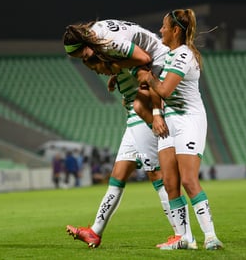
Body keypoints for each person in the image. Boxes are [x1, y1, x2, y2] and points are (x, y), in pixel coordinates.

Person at [62, 19, 180, 248]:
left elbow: (144, 60)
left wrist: (154, 112)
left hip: (155, 77)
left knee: (155, 174)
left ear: (87, 49)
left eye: (86, 61)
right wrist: (116, 73)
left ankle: (181, 234)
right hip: (134, 111)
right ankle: (95, 231)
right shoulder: (102, 44)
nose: (92, 67)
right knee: (117, 176)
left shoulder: (109, 46)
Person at [137, 9, 224, 250]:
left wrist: (148, 77)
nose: (161, 30)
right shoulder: (169, 54)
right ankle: (185, 239)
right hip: (170, 122)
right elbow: (154, 87)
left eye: (164, 27)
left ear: (176, 30)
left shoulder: (184, 55)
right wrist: (156, 112)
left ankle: (211, 237)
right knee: (171, 183)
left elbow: (164, 90)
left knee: (188, 179)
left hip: (190, 121)